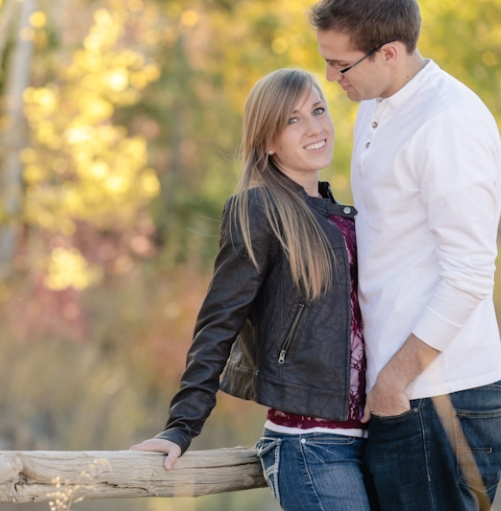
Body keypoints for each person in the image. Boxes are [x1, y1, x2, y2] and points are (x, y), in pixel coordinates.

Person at [130, 68, 373, 511]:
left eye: (319, 110)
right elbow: (218, 323)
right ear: (267, 141)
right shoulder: (259, 210)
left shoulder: (347, 216)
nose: (316, 127)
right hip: (310, 444)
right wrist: (180, 427)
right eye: (293, 120)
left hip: (375, 439)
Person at [308, 1, 501, 510]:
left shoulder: (448, 122)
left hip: (442, 396)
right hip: (400, 395)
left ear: (390, 53)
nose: (331, 79)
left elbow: (469, 273)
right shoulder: (377, 103)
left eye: (341, 64)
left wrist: (394, 382)